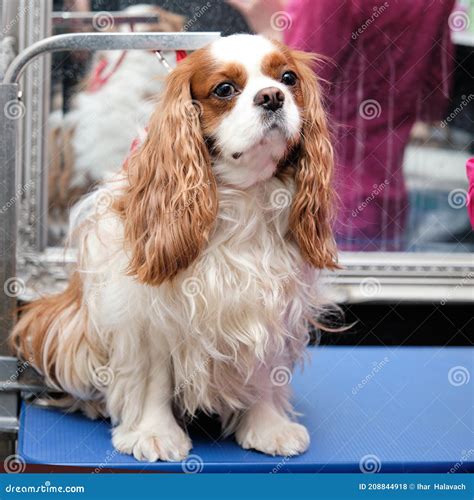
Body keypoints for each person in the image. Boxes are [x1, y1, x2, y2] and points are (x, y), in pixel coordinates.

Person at [229, 0, 456, 251]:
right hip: (389, 209)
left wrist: (268, 25)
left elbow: (298, 96)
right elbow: (435, 99)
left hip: (319, 203)